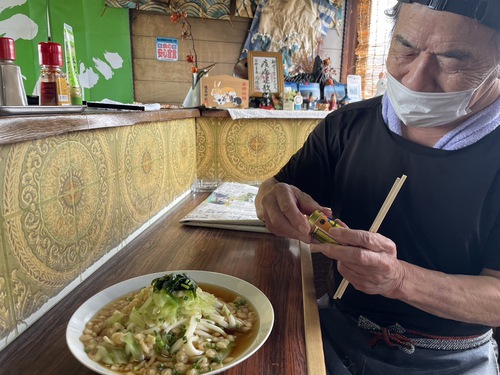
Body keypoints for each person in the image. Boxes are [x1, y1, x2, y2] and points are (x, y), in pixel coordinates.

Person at [255, 0, 500, 373]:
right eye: (405, 48)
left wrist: (400, 280)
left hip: (451, 359)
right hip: (335, 332)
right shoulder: (348, 125)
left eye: (452, 59)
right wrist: (271, 199)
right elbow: (277, 187)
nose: (415, 79)